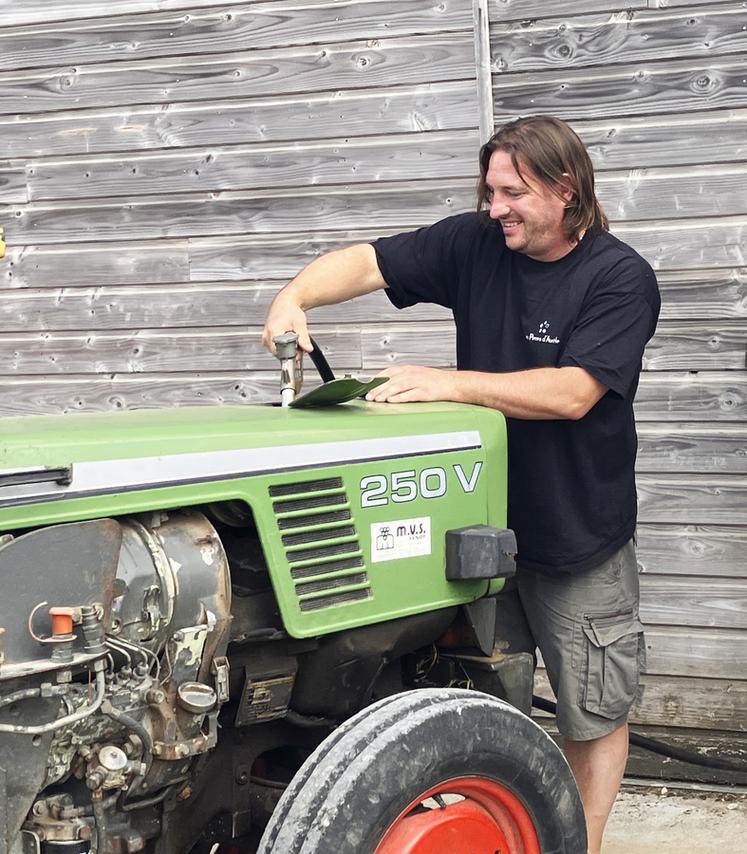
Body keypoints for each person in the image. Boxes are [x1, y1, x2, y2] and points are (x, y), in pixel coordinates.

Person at [262, 115, 660, 854]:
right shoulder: (477, 244)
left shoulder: (618, 277)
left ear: (566, 189)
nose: (495, 207)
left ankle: (578, 844)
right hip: (477, 531)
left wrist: (447, 383)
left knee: (592, 711)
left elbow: (574, 393)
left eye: (513, 193)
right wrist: (295, 298)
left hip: (576, 533)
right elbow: (370, 262)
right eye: (490, 191)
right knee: (476, 700)